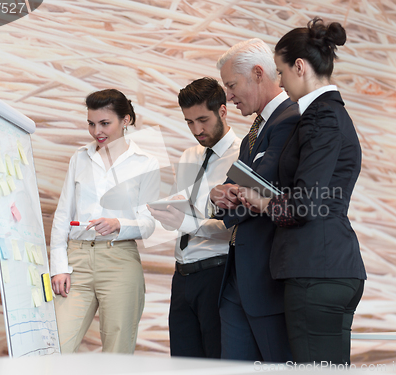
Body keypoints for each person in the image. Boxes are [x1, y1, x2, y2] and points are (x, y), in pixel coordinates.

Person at [238, 18, 367, 365]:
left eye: (280, 72)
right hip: (329, 267)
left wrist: (259, 201)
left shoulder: (320, 117)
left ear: (299, 66)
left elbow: (304, 206)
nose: (279, 82)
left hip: (316, 268)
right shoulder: (330, 115)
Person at [209, 38, 300, 362]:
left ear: (259, 74)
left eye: (232, 86)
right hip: (238, 277)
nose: (228, 96)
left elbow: (266, 192)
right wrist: (217, 194)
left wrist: (235, 194)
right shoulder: (257, 128)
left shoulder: (291, 119)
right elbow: (236, 186)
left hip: (267, 278)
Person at [50, 89, 159, 354]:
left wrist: (120, 224)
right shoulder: (79, 158)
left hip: (119, 262)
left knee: (117, 354)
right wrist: (59, 266)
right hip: (76, 263)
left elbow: (148, 224)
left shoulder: (146, 163)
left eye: (104, 123)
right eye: (91, 123)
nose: (96, 131)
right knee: (55, 347)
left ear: (126, 121)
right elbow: (63, 214)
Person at [148, 77, 241, 358]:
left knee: (217, 361)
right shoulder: (189, 155)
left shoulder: (243, 155)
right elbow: (181, 213)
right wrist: (164, 213)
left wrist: (185, 221)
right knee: (183, 363)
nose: (197, 130)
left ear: (222, 111)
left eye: (202, 119)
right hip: (183, 274)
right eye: (189, 122)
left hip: (219, 273)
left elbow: (232, 226)